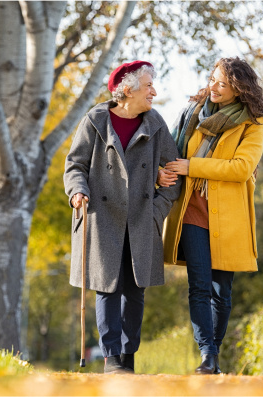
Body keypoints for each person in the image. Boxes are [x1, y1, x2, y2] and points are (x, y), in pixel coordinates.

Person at [64, 61, 181, 374]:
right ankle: (112, 358)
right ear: (127, 91)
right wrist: (77, 191)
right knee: (108, 287)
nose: (154, 92)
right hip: (103, 217)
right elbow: (75, 165)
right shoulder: (95, 121)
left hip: (142, 219)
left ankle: (128, 357)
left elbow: (174, 174)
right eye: (148, 87)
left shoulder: (156, 123)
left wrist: (157, 211)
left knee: (135, 289)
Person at [159, 57, 263, 374]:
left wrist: (192, 167)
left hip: (229, 216)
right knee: (199, 286)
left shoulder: (252, 123)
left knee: (222, 292)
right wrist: (161, 170)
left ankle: (214, 353)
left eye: (222, 84)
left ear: (239, 90)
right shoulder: (193, 112)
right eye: (212, 79)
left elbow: (241, 168)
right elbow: (169, 148)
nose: (213, 87)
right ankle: (208, 356)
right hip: (192, 209)